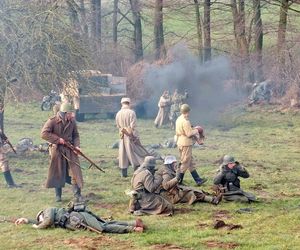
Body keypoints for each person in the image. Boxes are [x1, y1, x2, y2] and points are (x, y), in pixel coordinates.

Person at [41, 103, 84, 202]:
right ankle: (58, 196)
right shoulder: (52, 121)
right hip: (57, 150)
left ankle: (77, 195)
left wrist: (77, 146)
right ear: (64, 113)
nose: (72, 115)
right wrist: (58, 140)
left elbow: (76, 135)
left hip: (70, 148)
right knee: (58, 172)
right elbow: (44, 134)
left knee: (75, 171)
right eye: (70, 113)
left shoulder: (72, 121)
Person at [15, 202, 146, 233]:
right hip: (78, 219)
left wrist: (37, 227)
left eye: (40, 219)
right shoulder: (50, 215)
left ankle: (133, 229)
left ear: (41, 214)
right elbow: (44, 221)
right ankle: (134, 222)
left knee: (102, 227)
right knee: (106, 223)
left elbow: (46, 221)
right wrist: (26, 220)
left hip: (78, 218)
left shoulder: (48, 211)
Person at [115, 97, 149, 177]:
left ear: (122, 103)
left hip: (122, 136)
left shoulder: (118, 113)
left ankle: (124, 173)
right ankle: (137, 172)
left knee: (123, 155)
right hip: (130, 136)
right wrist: (135, 137)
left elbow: (118, 126)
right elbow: (133, 127)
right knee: (135, 154)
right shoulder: (131, 113)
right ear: (129, 103)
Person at [175, 104, 207, 186]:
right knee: (185, 162)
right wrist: (196, 130)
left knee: (190, 162)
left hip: (180, 142)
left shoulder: (179, 119)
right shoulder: (186, 121)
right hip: (186, 143)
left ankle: (198, 180)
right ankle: (179, 181)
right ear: (187, 112)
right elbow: (189, 134)